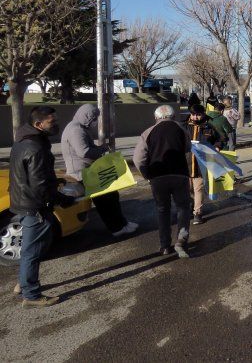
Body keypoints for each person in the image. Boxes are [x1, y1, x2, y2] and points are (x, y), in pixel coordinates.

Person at [9, 106, 74, 307]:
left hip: (24, 202)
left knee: (32, 247)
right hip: (35, 206)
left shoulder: (23, 141)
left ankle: (23, 283)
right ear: (39, 125)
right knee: (33, 250)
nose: (56, 125)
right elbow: (40, 184)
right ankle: (31, 295)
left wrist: (55, 183)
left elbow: (33, 176)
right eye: (52, 122)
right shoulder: (36, 148)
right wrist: (60, 199)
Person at [61, 104, 138, 237]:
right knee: (106, 200)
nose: (95, 122)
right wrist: (102, 149)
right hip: (82, 174)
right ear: (87, 117)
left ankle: (122, 223)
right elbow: (84, 152)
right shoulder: (76, 130)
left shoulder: (78, 128)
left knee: (112, 195)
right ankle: (117, 228)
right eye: (94, 118)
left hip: (88, 171)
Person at [132, 105, 192, 258]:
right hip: (180, 174)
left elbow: (138, 159)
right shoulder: (182, 129)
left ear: (156, 117)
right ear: (173, 116)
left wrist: (147, 174)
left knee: (162, 210)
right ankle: (181, 240)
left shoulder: (148, 132)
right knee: (183, 207)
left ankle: (165, 245)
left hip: (158, 177)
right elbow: (187, 148)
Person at [186, 104, 211, 225]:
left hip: (200, 164)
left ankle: (198, 213)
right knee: (188, 189)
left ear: (203, 114)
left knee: (198, 188)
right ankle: (192, 205)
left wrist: (217, 146)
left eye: (198, 114)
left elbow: (220, 139)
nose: (195, 117)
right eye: (193, 114)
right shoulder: (184, 126)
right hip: (185, 164)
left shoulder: (209, 126)